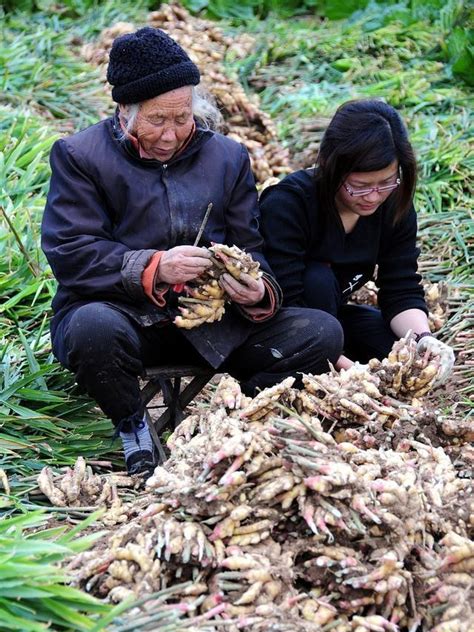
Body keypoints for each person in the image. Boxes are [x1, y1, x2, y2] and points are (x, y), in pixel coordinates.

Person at [41, 27, 343, 482]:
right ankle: (135, 429)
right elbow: (71, 250)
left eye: (182, 118)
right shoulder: (80, 156)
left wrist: (256, 290)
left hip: (212, 326)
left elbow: (252, 249)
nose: (171, 133)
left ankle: (237, 421)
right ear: (124, 111)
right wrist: (155, 266)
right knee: (90, 327)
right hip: (125, 318)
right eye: (157, 120)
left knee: (321, 331)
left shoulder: (226, 157)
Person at [259, 99, 455, 378]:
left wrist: (423, 339)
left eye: (386, 182)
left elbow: (400, 287)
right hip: (282, 330)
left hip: (335, 319)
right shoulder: (289, 204)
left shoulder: (393, 206)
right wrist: (349, 371)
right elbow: (285, 303)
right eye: (359, 186)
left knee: (396, 349)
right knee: (319, 279)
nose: (374, 196)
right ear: (331, 167)